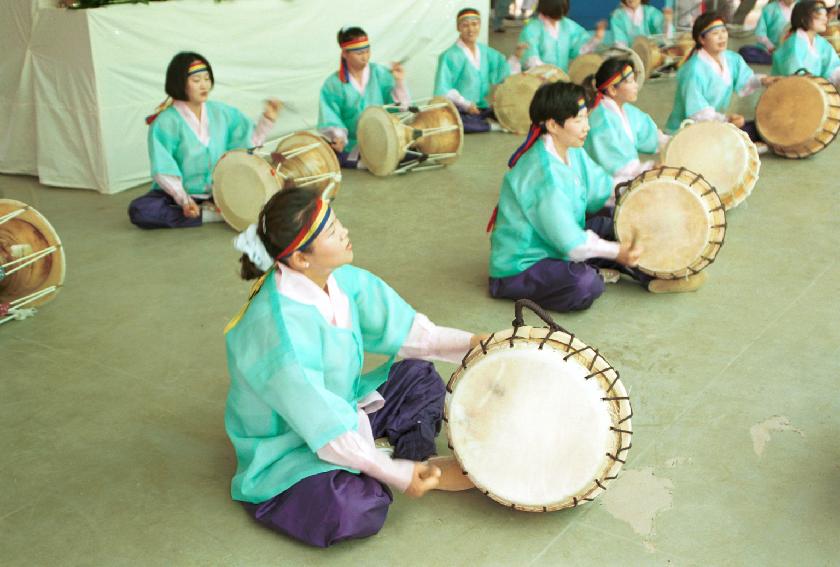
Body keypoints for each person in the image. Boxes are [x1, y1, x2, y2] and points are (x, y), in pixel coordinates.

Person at [225, 187, 485, 547]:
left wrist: (484, 344)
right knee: (355, 507)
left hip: (339, 407)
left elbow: (414, 334)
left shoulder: (341, 281)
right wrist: (396, 475)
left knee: (420, 374)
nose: (345, 231)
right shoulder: (279, 331)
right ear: (301, 259)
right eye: (332, 231)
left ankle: (412, 459)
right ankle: (397, 464)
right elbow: (327, 432)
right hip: (291, 443)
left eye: (337, 222)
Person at [128, 52, 281, 229]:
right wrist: (184, 200)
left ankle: (213, 209)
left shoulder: (222, 112)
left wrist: (267, 119)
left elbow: (246, 145)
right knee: (141, 210)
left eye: (207, 79)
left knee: (269, 197)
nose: (204, 85)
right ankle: (209, 215)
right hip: (178, 194)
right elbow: (163, 168)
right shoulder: (165, 122)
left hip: (219, 190)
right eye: (196, 80)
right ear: (180, 83)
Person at [665, 13, 778, 140]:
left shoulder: (731, 59)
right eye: (715, 33)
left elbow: (746, 80)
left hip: (714, 124)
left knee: (762, 129)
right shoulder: (693, 70)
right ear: (702, 39)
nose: (721, 37)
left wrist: (763, 80)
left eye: (723, 31)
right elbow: (697, 112)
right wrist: (726, 119)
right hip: (686, 132)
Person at [318, 27, 410, 168]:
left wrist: (399, 82)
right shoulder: (333, 84)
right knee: (332, 156)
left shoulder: (380, 73)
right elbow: (330, 115)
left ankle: (371, 161)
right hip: (352, 143)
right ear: (344, 53)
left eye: (367, 51)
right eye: (359, 53)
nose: (365, 57)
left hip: (383, 138)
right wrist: (339, 138)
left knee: (410, 151)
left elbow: (400, 108)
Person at [434, 7, 525, 133]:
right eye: (465, 25)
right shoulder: (449, 56)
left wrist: (517, 56)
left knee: (509, 110)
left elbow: (503, 71)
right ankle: (491, 126)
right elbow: (443, 89)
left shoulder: (485, 51)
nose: (471, 29)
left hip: (481, 106)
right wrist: (466, 104)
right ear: (458, 28)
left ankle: (484, 121)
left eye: (474, 24)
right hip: (459, 108)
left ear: (480, 25)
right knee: (454, 123)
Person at [583, 57, 669, 186]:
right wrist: (650, 168)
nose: (636, 85)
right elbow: (616, 166)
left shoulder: (627, 111)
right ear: (612, 90)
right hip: (607, 188)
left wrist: (676, 142)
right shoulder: (601, 121)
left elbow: (651, 136)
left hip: (628, 179)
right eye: (630, 81)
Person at [518, 0, 607, 72]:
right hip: (537, 80)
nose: (560, 18)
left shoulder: (567, 25)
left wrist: (596, 39)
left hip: (561, 78)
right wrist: (549, 73)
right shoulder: (531, 29)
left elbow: (578, 49)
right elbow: (530, 59)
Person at [772, 1, 840, 85]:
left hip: (811, 91)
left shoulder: (821, 43)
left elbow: (832, 68)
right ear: (803, 18)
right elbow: (794, 75)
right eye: (819, 13)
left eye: (825, 14)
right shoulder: (793, 44)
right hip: (789, 94)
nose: (825, 18)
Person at [739, 0, 797, 64]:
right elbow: (760, 33)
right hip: (771, 50)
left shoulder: (799, 7)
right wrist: (772, 48)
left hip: (791, 50)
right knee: (745, 51)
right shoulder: (770, 9)